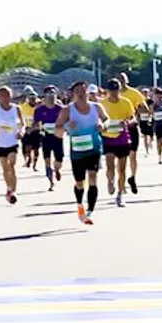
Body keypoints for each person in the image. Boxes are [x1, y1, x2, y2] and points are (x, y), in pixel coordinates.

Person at [60, 81, 106, 225]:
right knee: (80, 183)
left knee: (93, 177)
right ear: (73, 94)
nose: (80, 93)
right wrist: (68, 126)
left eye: (83, 91)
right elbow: (57, 127)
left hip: (94, 148)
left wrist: (103, 125)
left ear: (87, 92)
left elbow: (107, 119)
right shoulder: (67, 110)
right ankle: (80, 205)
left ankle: (90, 210)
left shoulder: (96, 107)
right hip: (77, 151)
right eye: (77, 91)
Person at [98, 84, 138, 207]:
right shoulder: (103, 104)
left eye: (116, 90)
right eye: (111, 90)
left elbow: (133, 118)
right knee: (110, 167)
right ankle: (110, 181)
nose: (114, 93)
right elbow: (98, 119)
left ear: (119, 90)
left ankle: (120, 194)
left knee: (122, 169)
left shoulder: (126, 103)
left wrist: (128, 123)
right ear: (107, 91)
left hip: (122, 138)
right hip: (108, 137)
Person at [0, 87, 24, 206]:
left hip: (12, 140)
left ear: (10, 96)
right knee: (5, 167)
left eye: (7, 95)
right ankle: (8, 188)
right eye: (2, 95)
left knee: (12, 165)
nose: (4, 97)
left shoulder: (16, 108)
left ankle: (14, 192)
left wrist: (21, 132)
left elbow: (22, 124)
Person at [31, 87, 64, 190]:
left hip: (58, 136)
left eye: (53, 94)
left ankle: (57, 170)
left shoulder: (61, 109)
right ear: (45, 96)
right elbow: (35, 123)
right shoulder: (40, 110)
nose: (51, 97)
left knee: (59, 159)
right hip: (46, 136)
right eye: (48, 94)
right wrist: (29, 130)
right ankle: (51, 182)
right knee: (47, 160)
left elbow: (67, 121)